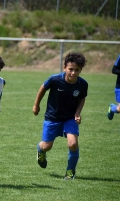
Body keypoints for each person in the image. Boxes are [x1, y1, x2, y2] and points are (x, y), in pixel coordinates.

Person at [32, 52, 88, 180]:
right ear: (64, 67)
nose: (73, 73)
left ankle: (70, 172)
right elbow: (42, 88)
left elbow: (82, 98)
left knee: (73, 144)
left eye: (77, 70)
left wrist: (78, 113)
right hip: (52, 117)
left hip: (69, 118)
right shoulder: (55, 79)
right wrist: (36, 105)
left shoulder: (83, 84)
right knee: (47, 146)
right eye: (70, 69)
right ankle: (40, 151)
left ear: (81, 70)